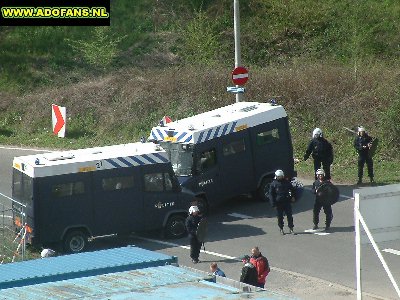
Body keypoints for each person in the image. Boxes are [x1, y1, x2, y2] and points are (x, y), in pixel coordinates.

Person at [269, 169, 295, 235]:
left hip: (287, 202)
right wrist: (273, 204)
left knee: (289, 216)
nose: (279, 177)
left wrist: (292, 197)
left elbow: (292, 190)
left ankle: (291, 228)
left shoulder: (287, 182)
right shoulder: (273, 184)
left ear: (282, 176)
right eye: (278, 176)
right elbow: (271, 195)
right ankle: (281, 229)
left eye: (280, 176)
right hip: (278, 203)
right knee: (280, 217)